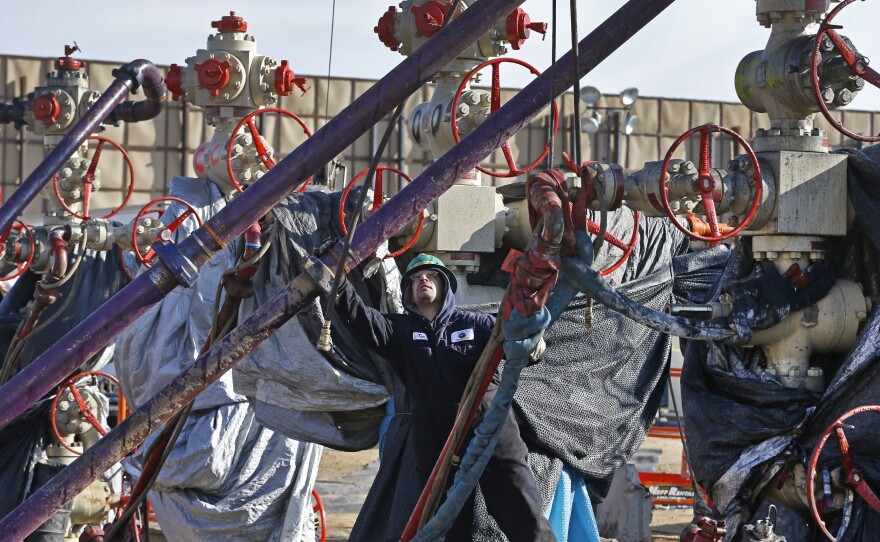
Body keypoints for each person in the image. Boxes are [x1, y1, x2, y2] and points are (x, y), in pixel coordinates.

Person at [332, 253, 556, 541]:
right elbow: (358, 316)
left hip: (491, 434)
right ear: (408, 292)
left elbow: (520, 346)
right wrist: (336, 280)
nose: (423, 279)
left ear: (445, 286)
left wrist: (533, 344)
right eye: (415, 278)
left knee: (524, 515)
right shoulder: (398, 330)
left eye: (431, 275)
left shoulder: (479, 324)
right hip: (437, 443)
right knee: (448, 527)